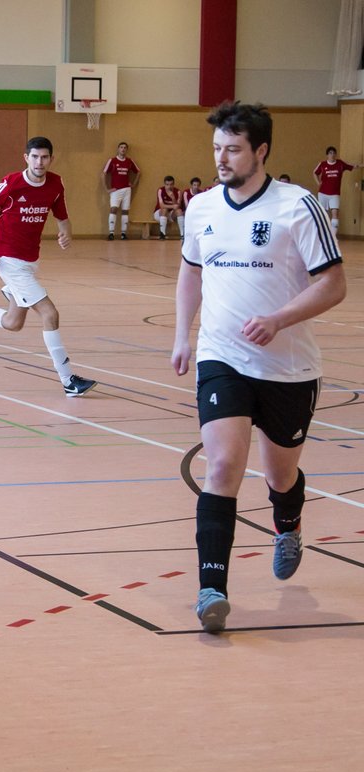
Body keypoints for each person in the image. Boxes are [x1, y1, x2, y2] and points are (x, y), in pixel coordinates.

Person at [171, 101, 345, 633]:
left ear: (261, 150)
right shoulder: (201, 208)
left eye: (233, 149)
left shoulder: (299, 206)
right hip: (221, 357)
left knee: (280, 474)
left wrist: (278, 318)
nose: (222, 158)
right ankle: (211, 589)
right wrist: (184, 335)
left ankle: (287, 521)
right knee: (222, 467)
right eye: (217, 148)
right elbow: (190, 274)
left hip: (288, 368)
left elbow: (334, 285)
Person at [0, 136, 97, 398]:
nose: (40, 162)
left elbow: (63, 218)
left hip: (30, 261)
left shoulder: (56, 184)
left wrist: (65, 234)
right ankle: (68, 380)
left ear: (51, 158)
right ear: (26, 158)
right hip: (9, 260)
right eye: (35, 157)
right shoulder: (11, 183)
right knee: (50, 314)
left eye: (45, 157)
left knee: (13, 322)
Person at [102, 141, 140, 240]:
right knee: (113, 209)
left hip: (127, 189)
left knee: (125, 211)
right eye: (121, 147)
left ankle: (123, 233)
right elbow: (104, 173)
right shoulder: (112, 161)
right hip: (115, 190)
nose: (123, 149)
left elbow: (138, 172)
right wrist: (107, 188)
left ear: (127, 150)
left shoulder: (129, 161)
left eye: (125, 148)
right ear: (118, 149)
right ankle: (111, 233)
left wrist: (134, 184)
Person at [312, 146, 354, 235]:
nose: (332, 155)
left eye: (334, 153)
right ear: (327, 155)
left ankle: (333, 236)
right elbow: (315, 173)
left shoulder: (340, 164)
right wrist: (318, 182)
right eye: (330, 153)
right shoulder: (322, 164)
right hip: (323, 193)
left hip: (335, 194)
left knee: (335, 213)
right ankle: (323, 234)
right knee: (323, 214)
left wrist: (361, 165)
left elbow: (352, 166)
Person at [153, 175, 183, 240]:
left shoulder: (178, 192)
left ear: (174, 184)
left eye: (171, 184)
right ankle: (162, 234)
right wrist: (172, 206)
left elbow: (177, 206)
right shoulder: (160, 190)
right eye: (167, 184)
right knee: (164, 209)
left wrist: (173, 198)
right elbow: (161, 205)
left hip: (170, 214)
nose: (169, 186)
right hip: (159, 214)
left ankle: (182, 234)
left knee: (179, 211)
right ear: (164, 184)